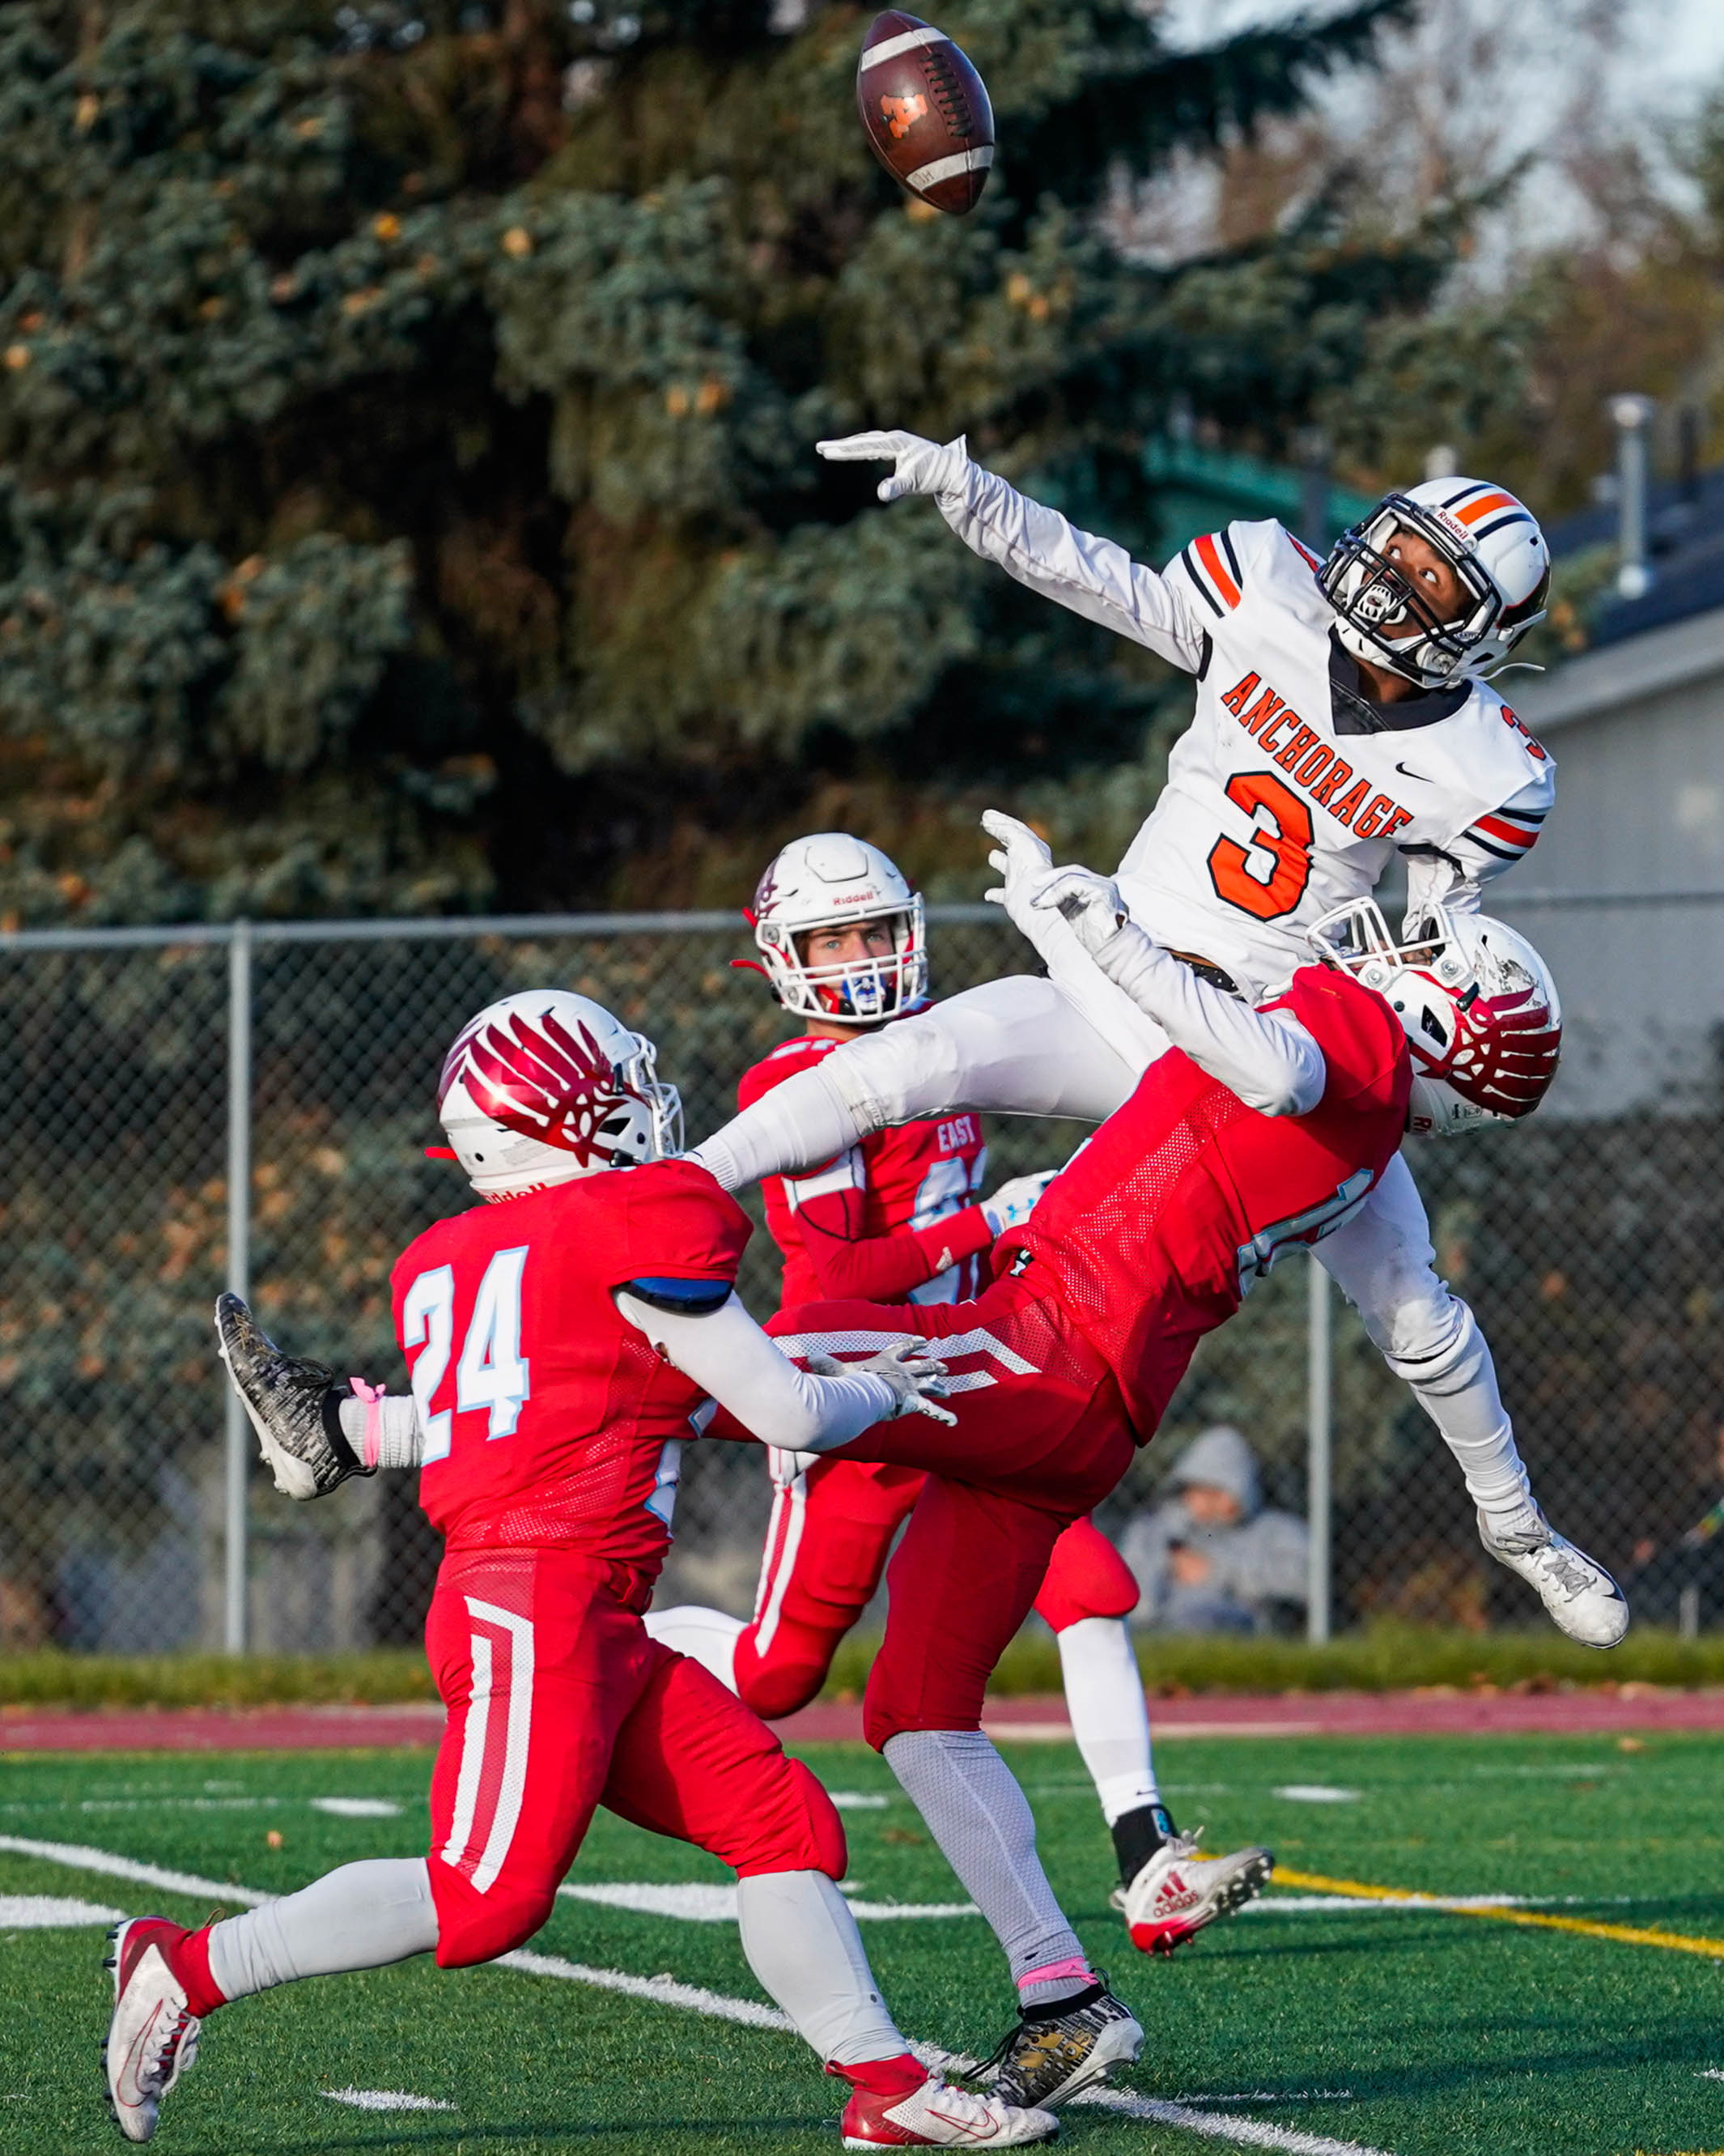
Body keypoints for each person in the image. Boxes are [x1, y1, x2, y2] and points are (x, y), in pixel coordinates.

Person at [688, 436, 1627, 1651]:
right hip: (1111, 980)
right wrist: (974, 497)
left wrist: (1403, 1062)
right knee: (897, 1063)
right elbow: (1102, 579)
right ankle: (673, 1186)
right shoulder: (1262, 584)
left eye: (1432, 577)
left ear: (1479, 632)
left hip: (1262, 1053)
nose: (1390, 573)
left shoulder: (1486, 772)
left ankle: (1520, 1532)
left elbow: (1434, 944)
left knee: (1415, 1309)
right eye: (1396, 540)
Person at [104, 989, 1055, 2152]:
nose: (648, 1107)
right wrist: (886, 1389)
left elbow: (571, 1401)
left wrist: (348, 1435)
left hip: (589, 1613)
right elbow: (784, 1406)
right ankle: (184, 1963)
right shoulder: (629, 1223)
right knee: (485, 1895)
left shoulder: (467, 1257)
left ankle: (884, 2084)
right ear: (553, 1126)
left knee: (781, 1820)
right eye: (618, 1094)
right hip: (532, 1600)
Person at [705, 870, 1586, 2111]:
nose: (1398, 947)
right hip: (1091, 1405)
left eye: (1430, 952)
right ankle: (1063, 1994)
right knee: (914, 1711)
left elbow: (1267, 1062)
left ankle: (382, 1431)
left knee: (731, 1353)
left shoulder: (1348, 1054)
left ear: (1446, 1017)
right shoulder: (1369, 1142)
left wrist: (1104, 931)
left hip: (1048, 1338)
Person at [643, 831, 1269, 1955]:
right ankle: (610, 1640)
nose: (862, 954)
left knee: (1092, 1588)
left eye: (875, 929)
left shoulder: (944, 1048)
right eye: (832, 936)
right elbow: (835, 1277)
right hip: (860, 1391)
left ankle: (1146, 1854)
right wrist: (992, 1220)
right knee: (777, 1669)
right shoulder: (799, 1085)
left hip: (971, 1382)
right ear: (784, 955)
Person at [1120, 1426, 1310, 1635]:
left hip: (1246, 1639)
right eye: (1202, 1492)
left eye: (1220, 1491)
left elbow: (1307, 1581)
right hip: (1163, 1637)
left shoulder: (1275, 1531)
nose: (1212, 1503)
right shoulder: (1155, 1531)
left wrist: (1216, 1572)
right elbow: (1133, 1598)